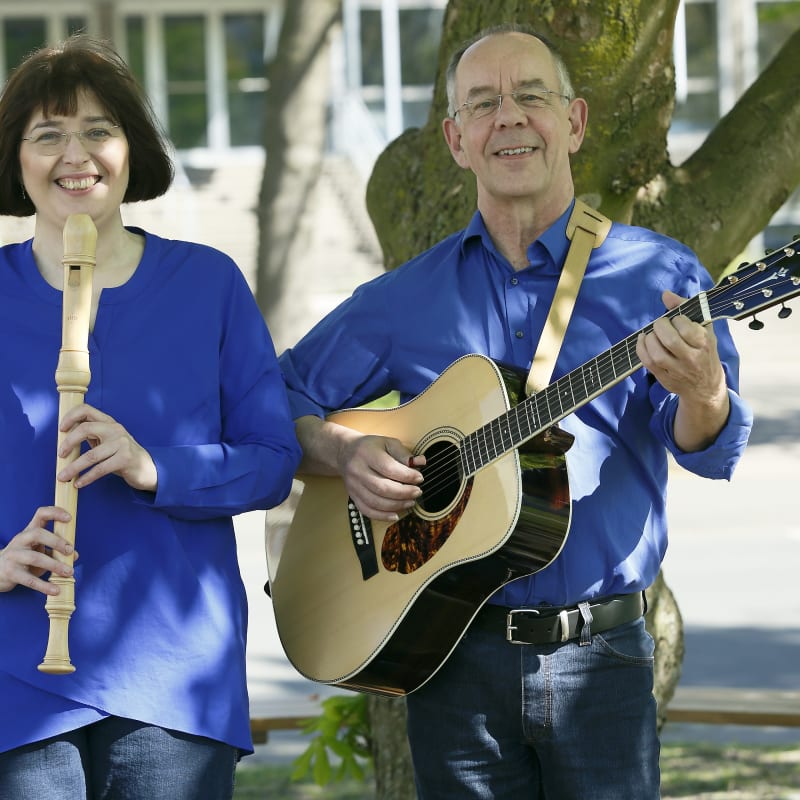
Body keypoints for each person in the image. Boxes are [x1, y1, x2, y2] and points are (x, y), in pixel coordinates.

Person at [278, 23, 753, 800]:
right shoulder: (406, 298)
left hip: (602, 660)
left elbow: (710, 451)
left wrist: (704, 393)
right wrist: (339, 453)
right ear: (456, 137)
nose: (510, 117)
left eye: (533, 96)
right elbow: (279, 397)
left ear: (575, 121)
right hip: (451, 654)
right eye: (484, 102)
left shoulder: (659, 277)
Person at [0, 34, 301, 800]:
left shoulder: (208, 284)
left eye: (98, 129)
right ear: (18, 159)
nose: (77, 154)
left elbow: (272, 458)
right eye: (48, 135)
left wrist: (154, 465)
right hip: (14, 676)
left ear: (132, 148)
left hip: (174, 676)